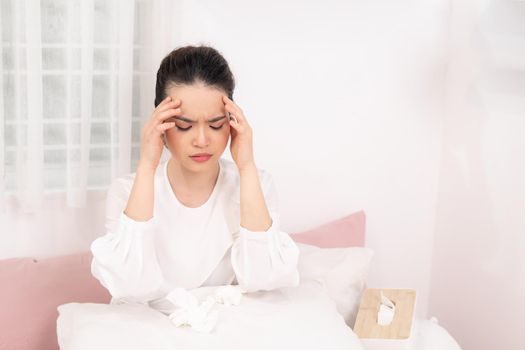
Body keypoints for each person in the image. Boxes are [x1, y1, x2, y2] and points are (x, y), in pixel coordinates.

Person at [90, 45, 300, 309]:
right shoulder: (127, 191)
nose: (202, 140)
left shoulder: (254, 184)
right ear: (161, 124)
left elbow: (262, 278)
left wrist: (246, 166)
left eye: (215, 125)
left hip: (227, 328)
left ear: (232, 121)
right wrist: (147, 164)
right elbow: (130, 287)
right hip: (147, 332)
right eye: (184, 126)